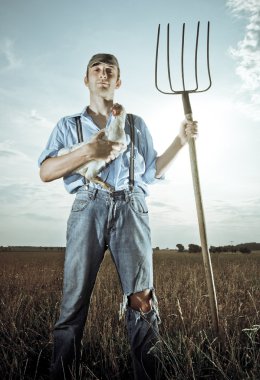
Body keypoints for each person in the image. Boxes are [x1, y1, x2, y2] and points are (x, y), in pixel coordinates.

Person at [38, 53, 197, 380]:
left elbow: (152, 171)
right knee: (73, 302)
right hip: (88, 204)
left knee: (142, 299)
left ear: (118, 81)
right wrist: (86, 152)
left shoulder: (136, 124)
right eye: (96, 69)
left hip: (131, 207)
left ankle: (148, 375)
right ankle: (62, 373)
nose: (103, 74)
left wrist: (181, 141)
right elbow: (46, 170)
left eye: (110, 70)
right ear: (86, 80)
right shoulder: (69, 125)